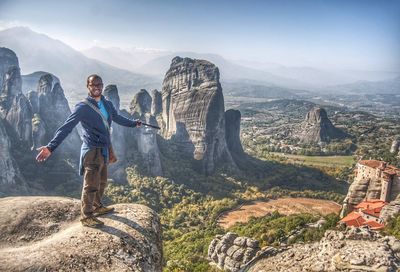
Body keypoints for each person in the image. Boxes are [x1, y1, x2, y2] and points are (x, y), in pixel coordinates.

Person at [36, 74, 141, 227]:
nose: (97, 87)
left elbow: (117, 118)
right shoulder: (83, 107)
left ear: (102, 85)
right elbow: (67, 127)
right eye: (93, 85)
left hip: (105, 148)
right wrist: (51, 147)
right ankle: (86, 216)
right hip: (92, 150)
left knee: (102, 181)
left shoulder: (107, 103)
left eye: (99, 84)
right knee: (91, 184)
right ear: (88, 86)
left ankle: (97, 206)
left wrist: (133, 123)